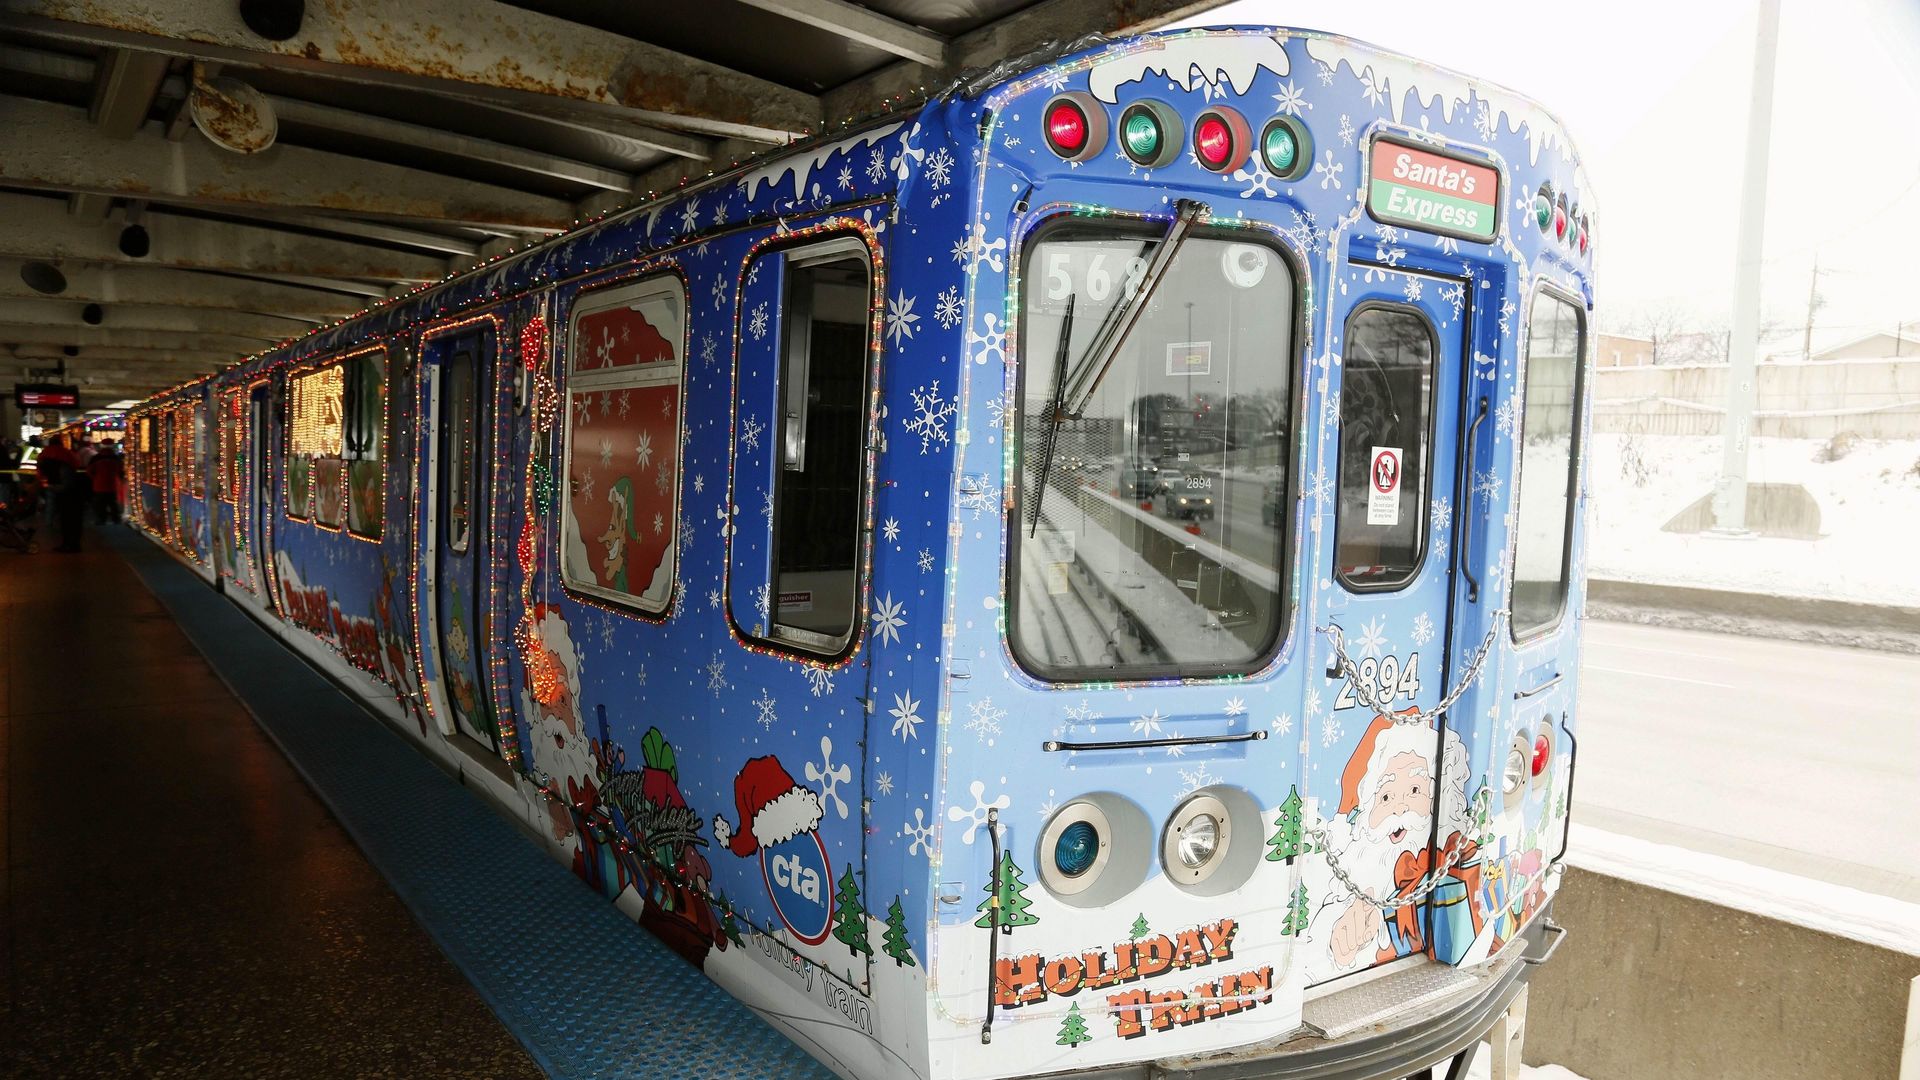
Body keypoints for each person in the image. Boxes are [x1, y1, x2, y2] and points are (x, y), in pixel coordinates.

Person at [36, 436, 86, 552]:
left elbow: (64, 484)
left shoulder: (45, 455)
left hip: (64, 492)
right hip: (71, 492)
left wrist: (47, 485)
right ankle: (72, 544)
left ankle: (68, 543)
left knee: (66, 518)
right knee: (71, 520)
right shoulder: (66, 455)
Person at [88, 441, 125, 524]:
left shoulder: (95, 458)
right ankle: (116, 519)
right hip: (113, 485)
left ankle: (101, 519)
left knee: (100, 504)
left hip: (98, 485)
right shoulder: (116, 458)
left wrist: (95, 478)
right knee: (113, 503)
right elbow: (121, 471)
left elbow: (90, 471)